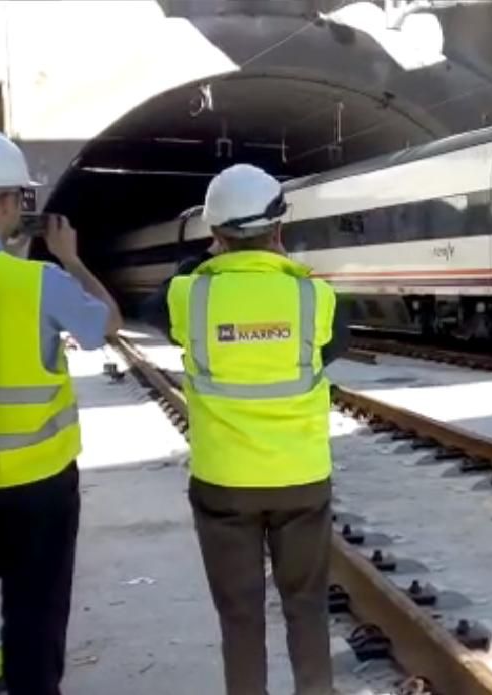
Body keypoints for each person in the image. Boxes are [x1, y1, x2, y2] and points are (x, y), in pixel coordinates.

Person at [143, 163, 348, 695]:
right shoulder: (315, 298)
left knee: (239, 617)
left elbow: (152, 303)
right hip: (301, 480)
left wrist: (202, 262)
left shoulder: (188, 296)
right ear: (279, 229)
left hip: (224, 484)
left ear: (216, 235)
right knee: (306, 609)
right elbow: (334, 347)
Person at [0, 129, 122, 695]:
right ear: (13, 202)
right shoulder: (39, 282)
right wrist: (71, 259)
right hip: (37, 487)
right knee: (35, 622)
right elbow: (106, 323)